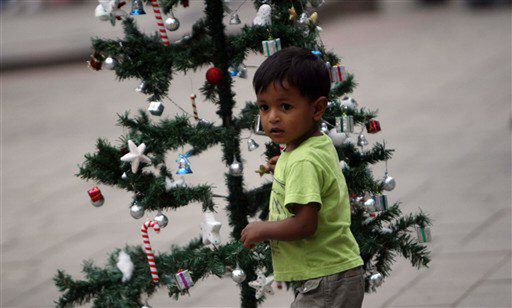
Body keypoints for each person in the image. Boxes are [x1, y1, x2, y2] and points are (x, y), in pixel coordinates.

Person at [241, 46, 365, 308]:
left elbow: (305, 225)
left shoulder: (302, 161)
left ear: (317, 108)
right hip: (334, 274)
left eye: (285, 106)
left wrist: (261, 229)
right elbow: (314, 171)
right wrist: (284, 166)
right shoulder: (312, 145)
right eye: (264, 107)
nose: (272, 117)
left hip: (326, 279)